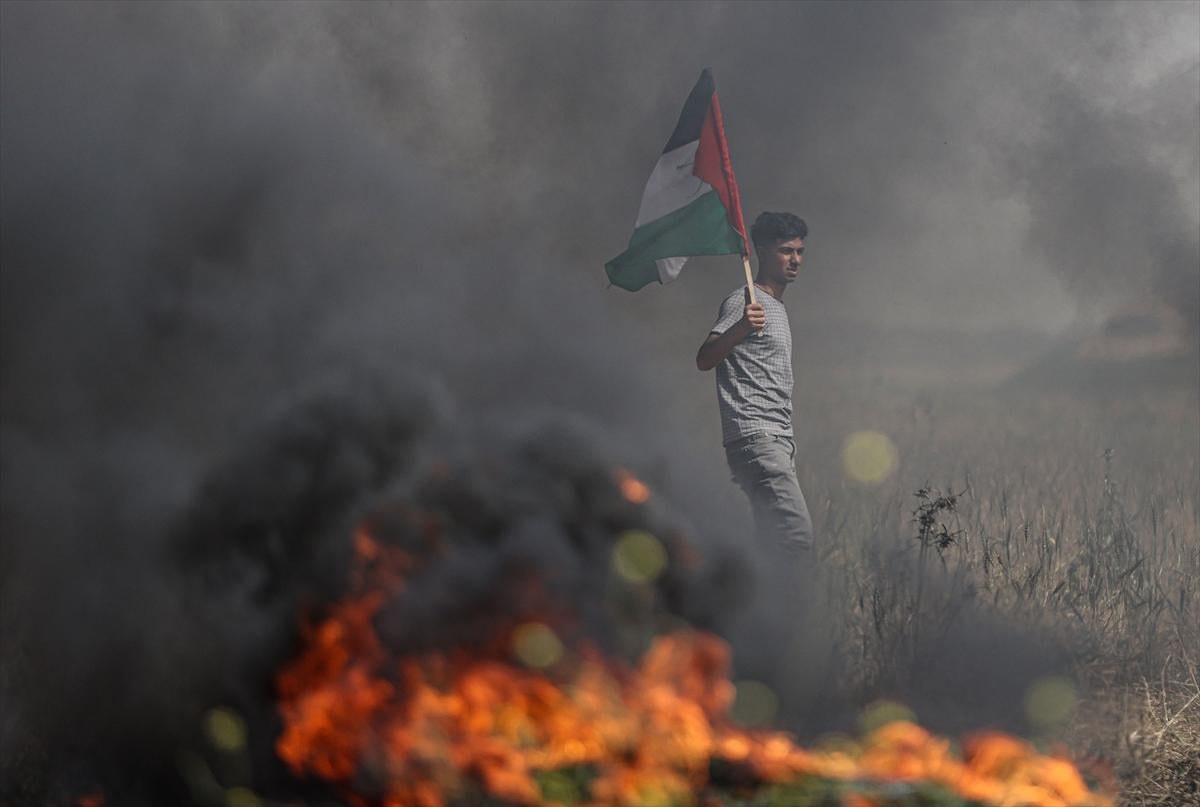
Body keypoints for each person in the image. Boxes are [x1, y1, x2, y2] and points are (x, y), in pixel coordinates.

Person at [695, 211, 814, 559]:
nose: (794, 260)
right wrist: (741, 328)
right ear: (761, 251)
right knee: (796, 536)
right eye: (785, 250)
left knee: (771, 544)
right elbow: (704, 358)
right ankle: (791, 611)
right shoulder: (745, 301)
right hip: (756, 437)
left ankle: (758, 609)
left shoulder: (775, 307)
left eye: (799, 252)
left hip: (777, 439)